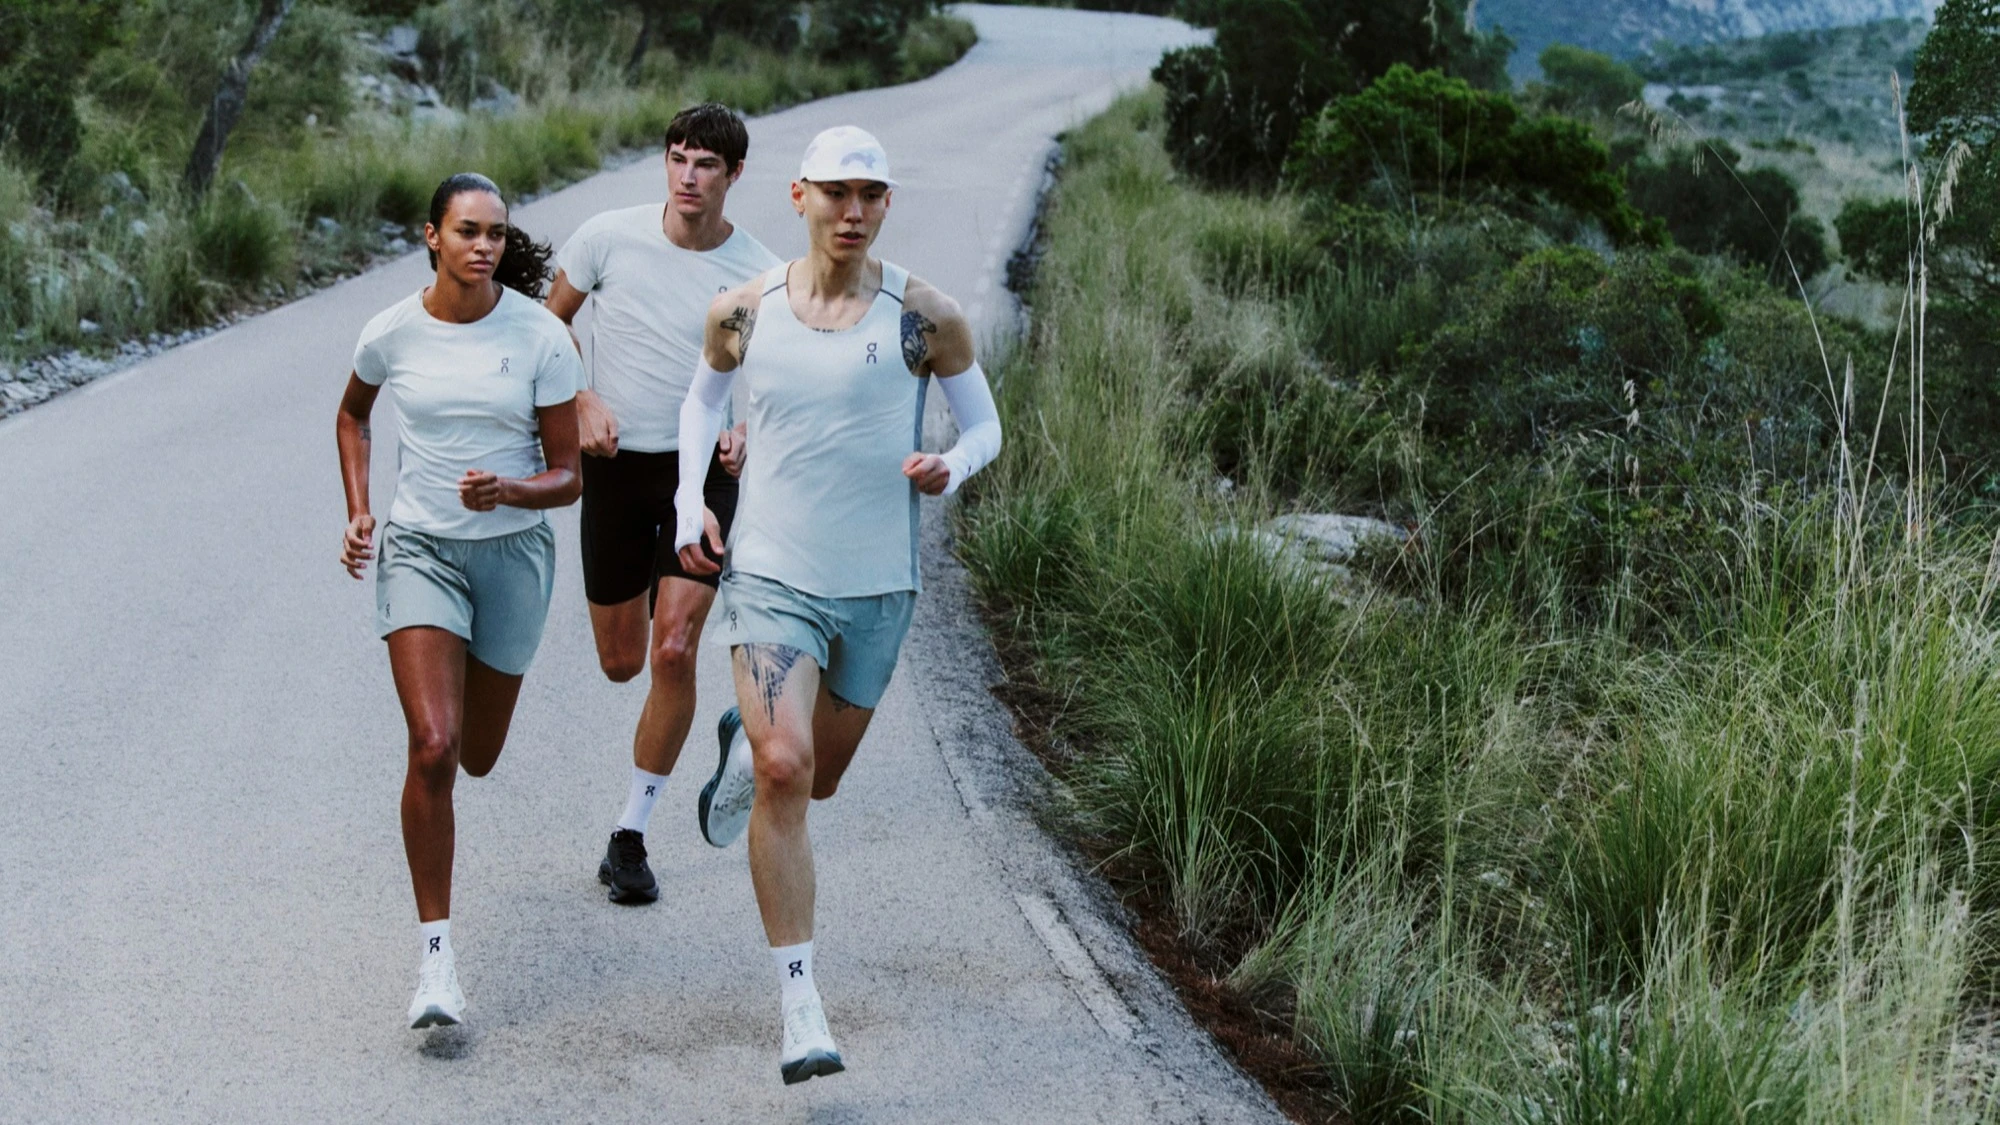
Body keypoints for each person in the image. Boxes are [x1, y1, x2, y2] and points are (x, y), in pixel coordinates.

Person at [673, 126, 1003, 1085]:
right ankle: (800, 1002)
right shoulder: (743, 311)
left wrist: (952, 464)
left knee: (817, 779)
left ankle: (749, 733)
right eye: (835, 193)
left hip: (877, 587)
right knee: (786, 767)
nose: (852, 212)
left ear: (886, 205)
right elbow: (701, 404)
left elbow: (985, 426)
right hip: (771, 573)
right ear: (798, 196)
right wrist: (693, 496)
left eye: (870, 196)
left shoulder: (924, 316)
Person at [335, 173, 583, 1029]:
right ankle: (436, 961)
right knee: (434, 746)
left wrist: (513, 491)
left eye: (498, 234)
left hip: (513, 555)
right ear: (432, 236)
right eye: (469, 231)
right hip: (421, 550)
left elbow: (569, 475)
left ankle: (438, 950)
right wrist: (361, 509)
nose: (485, 246)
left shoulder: (541, 336)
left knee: (478, 753)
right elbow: (352, 416)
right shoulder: (392, 332)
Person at [544, 104, 781, 905]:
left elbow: (782, 379)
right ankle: (659, 633)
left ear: (733, 175)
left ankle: (630, 835)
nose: (688, 176)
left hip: (703, 474)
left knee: (672, 650)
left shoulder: (758, 270)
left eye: (706, 163)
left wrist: (749, 427)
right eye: (678, 158)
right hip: (615, 467)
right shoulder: (607, 237)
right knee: (621, 660)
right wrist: (577, 398)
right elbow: (548, 332)